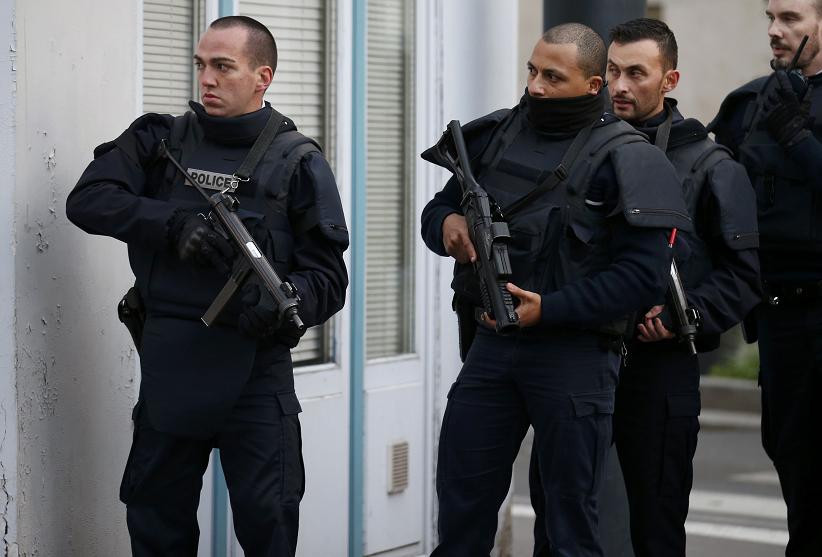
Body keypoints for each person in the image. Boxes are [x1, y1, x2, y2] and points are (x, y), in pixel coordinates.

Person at [65, 16, 348, 556]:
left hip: (255, 376)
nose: (207, 79)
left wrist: (286, 301)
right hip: (172, 365)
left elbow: (329, 279)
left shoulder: (298, 162)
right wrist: (170, 226)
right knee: (156, 524)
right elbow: (89, 200)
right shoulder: (159, 139)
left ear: (262, 77)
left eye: (223, 66)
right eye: (201, 65)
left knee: (268, 525)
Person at [421, 23, 692, 557]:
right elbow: (438, 209)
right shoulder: (498, 135)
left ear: (593, 86)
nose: (537, 86)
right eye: (532, 70)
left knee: (568, 522)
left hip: (573, 358)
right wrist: (447, 224)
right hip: (492, 348)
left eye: (553, 76)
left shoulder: (630, 157)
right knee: (462, 503)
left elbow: (643, 275)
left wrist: (550, 309)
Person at [529, 18, 762, 557]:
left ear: (669, 79)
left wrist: (690, 314)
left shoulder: (709, 165)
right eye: (612, 71)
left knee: (657, 523)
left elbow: (745, 272)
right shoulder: (576, 151)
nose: (620, 86)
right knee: (557, 514)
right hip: (577, 357)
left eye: (636, 73)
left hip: (658, 367)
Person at [710, 1, 822, 554]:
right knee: (794, 465)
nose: (776, 31)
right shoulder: (750, 103)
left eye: (792, 18)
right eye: (771, 17)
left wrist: (797, 135)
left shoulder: (782, 110)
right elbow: (710, 200)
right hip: (779, 320)